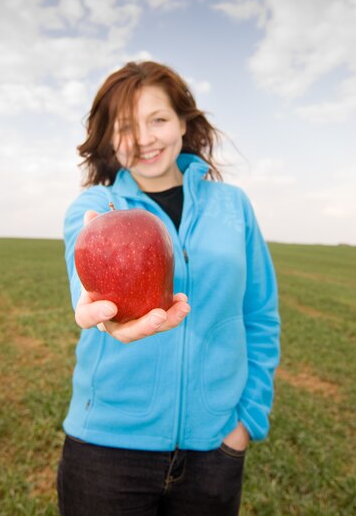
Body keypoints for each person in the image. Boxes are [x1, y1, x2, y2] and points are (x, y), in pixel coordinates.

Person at [57, 60, 281, 516]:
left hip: (214, 449)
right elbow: (85, 291)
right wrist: (101, 318)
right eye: (124, 127)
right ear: (108, 138)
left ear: (183, 121)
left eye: (157, 119)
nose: (143, 139)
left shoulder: (232, 205)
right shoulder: (94, 209)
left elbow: (261, 315)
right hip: (105, 450)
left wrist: (245, 423)